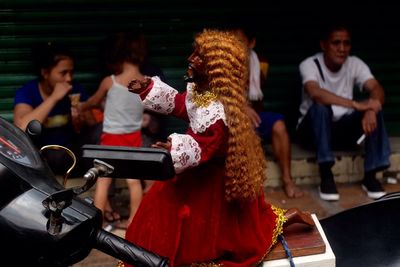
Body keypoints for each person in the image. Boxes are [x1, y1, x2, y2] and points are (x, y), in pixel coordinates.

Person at [123, 29, 314, 267]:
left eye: (200, 57)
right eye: (193, 53)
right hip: (198, 171)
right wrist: (148, 89)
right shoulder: (203, 93)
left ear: (216, 70)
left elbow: (206, 146)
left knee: (204, 229)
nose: (190, 59)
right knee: (161, 209)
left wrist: (175, 147)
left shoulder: (220, 112)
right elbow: (183, 105)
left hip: (211, 179)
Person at [297, 23, 391, 201]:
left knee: (375, 108)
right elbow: (314, 92)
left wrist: (371, 108)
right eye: (336, 43)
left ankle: (371, 176)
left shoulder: (354, 63)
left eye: (346, 43)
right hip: (312, 133)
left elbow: (377, 88)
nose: (342, 49)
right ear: (323, 45)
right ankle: (326, 175)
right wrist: (356, 105)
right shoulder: (310, 64)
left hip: (341, 132)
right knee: (320, 106)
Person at [78, 31, 146, 228]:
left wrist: (81, 107)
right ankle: (133, 221)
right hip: (133, 137)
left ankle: (97, 224)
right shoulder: (146, 83)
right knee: (134, 181)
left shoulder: (110, 82)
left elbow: (93, 102)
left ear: (119, 55)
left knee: (103, 180)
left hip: (111, 138)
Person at [233, 26, 303, 198]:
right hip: (233, 117)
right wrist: (240, 107)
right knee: (243, 124)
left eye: (239, 42)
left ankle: (287, 179)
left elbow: (252, 91)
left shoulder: (260, 63)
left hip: (256, 115)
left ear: (252, 43)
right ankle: (248, 185)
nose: (234, 47)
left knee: (279, 125)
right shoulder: (219, 64)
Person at [13, 42, 100, 176]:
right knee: (53, 155)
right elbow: (22, 128)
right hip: (46, 156)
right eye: (63, 73)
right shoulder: (28, 92)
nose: (68, 78)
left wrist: (81, 117)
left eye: (71, 72)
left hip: (73, 153)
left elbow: (93, 128)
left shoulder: (75, 89)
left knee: (102, 129)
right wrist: (54, 98)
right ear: (45, 73)